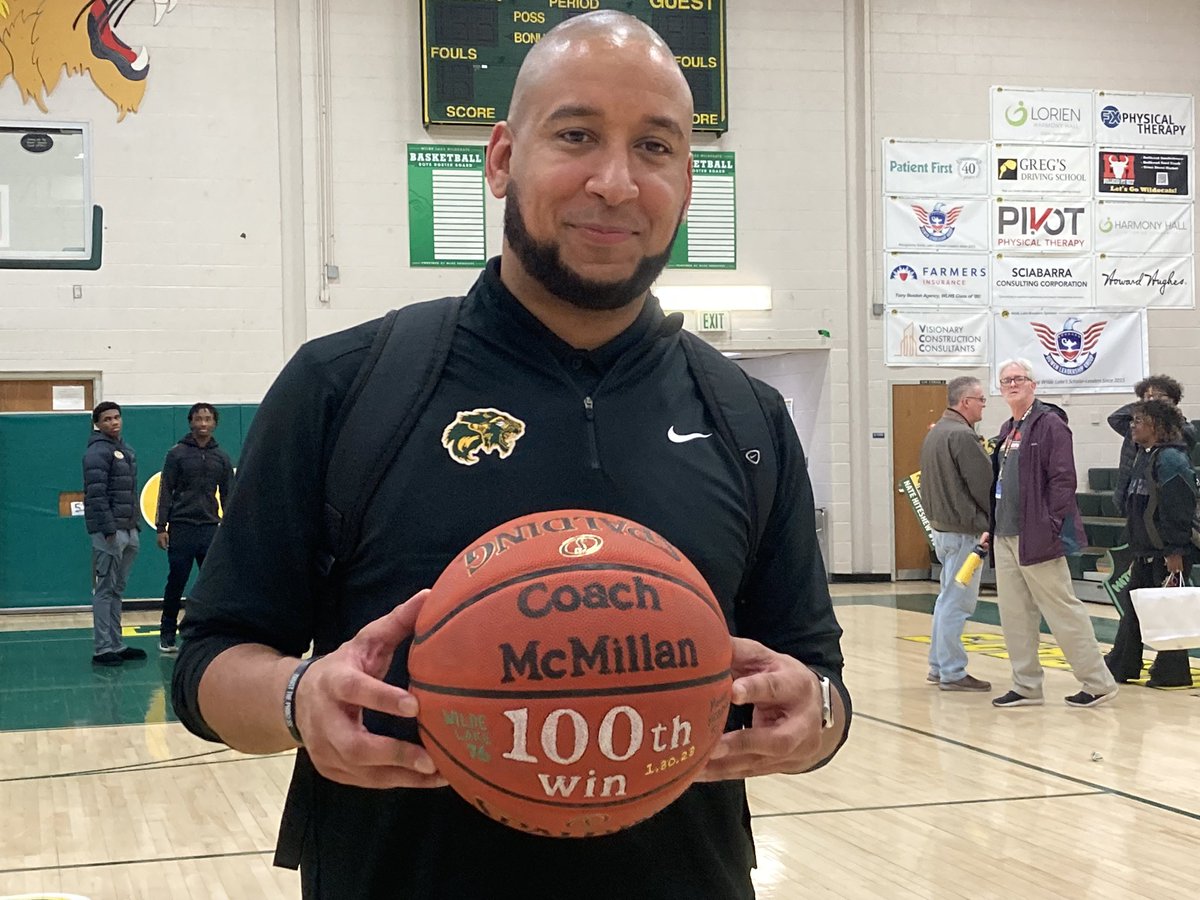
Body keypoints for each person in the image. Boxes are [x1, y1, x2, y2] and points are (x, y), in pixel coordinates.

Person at [171, 12, 850, 899]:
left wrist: (816, 718)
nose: (615, 181)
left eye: (655, 147)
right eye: (576, 135)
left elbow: (821, 682)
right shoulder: (346, 386)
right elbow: (207, 663)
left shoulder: (747, 417)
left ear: (687, 181)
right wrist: (300, 699)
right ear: (500, 158)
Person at [987, 359, 1119, 709]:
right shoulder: (1007, 428)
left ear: (1033, 384)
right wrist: (992, 527)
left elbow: (1063, 480)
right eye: (1005, 380)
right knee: (1015, 615)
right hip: (1006, 535)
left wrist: (1050, 524)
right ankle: (1026, 684)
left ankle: (1098, 682)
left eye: (1019, 379)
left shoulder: (1049, 424)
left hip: (1038, 536)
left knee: (1062, 610)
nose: (1012, 384)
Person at [1105, 399, 1196, 688]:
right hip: (1146, 550)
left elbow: (1177, 508)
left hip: (1167, 550)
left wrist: (1175, 551)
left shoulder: (1171, 459)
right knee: (1134, 608)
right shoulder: (1145, 455)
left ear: (1157, 426)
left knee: (1167, 611)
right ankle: (1122, 664)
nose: (1132, 426)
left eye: (1139, 421)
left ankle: (1172, 673)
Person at [918, 376, 992, 692]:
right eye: (980, 400)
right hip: (965, 536)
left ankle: (938, 665)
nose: (983, 405)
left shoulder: (935, 433)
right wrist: (991, 521)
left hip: (943, 531)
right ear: (965, 402)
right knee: (958, 602)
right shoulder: (962, 437)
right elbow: (983, 486)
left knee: (946, 599)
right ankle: (951, 670)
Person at [154, 402, 235, 654]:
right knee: (176, 581)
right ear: (190, 422)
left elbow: (228, 494)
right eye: (198, 419)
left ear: (215, 423)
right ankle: (167, 634)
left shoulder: (221, 457)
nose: (203, 424)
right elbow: (165, 488)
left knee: (212, 584)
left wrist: (230, 527)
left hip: (210, 528)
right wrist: (161, 526)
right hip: (181, 527)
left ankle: (208, 633)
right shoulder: (177, 453)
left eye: (208, 419)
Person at [82, 401, 146, 667]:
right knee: (105, 589)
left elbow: (126, 492)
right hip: (109, 532)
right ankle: (102, 648)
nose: (113, 422)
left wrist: (133, 525)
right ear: (98, 424)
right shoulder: (97, 452)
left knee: (118, 590)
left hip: (129, 528)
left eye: (116, 417)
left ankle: (117, 644)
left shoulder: (126, 450)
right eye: (107, 419)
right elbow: (96, 495)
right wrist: (109, 529)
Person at [1108, 375, 1196, 516]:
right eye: (1146, 397)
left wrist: (1158, 408)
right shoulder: (1137, 428)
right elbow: (1115, 418)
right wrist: (1145, 406)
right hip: (1132, 492)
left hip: (1157, 500)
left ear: (1173, 400)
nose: (1151, 400)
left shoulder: (1180, 431)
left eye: (1158, 396)